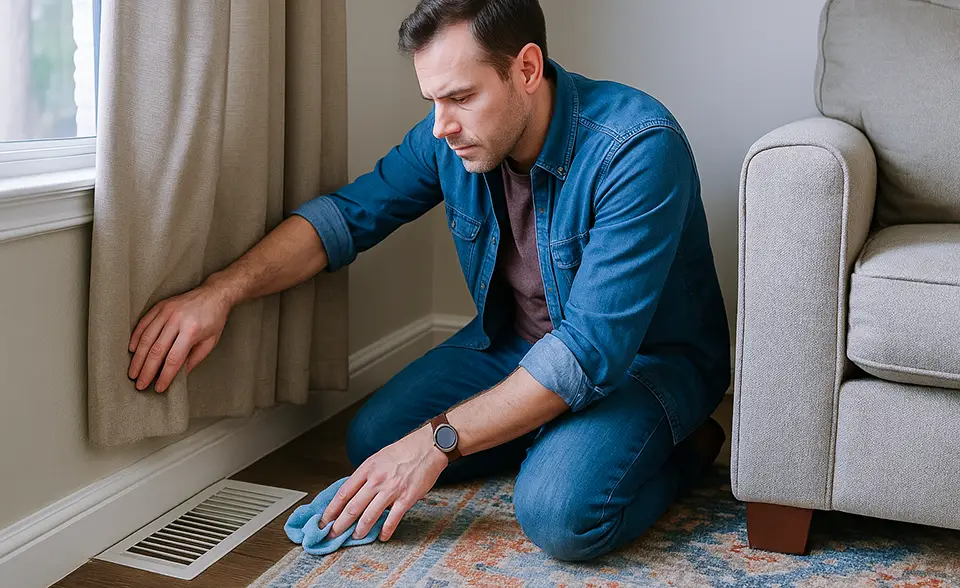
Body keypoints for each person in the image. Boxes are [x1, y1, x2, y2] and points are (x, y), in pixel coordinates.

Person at [126, 0, 730, 562]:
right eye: (432, 100)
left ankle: (689, 448)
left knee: (559, 514)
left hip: (642, 364)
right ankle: (541, 427)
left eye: (462, 97)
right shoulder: (450, 137)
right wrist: (219, 292)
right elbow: (346, 217)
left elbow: (590, 351)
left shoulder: (637, 148)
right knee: (375, 439)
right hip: (516, 348)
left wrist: (438, 441)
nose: (442, 126)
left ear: (525, 68)